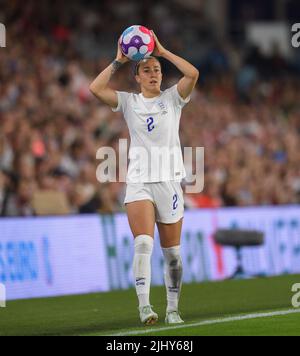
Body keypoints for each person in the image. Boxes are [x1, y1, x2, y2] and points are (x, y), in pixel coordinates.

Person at [90, 31, 199, 325]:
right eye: (146, 70)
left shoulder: (173, 99)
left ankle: (173, 309)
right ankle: (144, 307)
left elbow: (192, 73)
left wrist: (162, 52)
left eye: (157, 70)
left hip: (169, 182)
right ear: (136, 77)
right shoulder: (128, 102)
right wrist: (117, 61)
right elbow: (96, 87)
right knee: (142, 244)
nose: (153, 74)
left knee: (173, 254)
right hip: (139, 181)